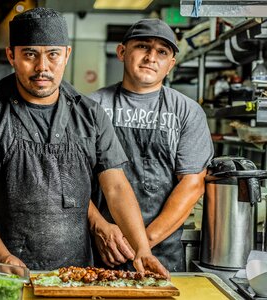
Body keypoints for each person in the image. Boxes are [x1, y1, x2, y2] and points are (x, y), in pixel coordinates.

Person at [0, 7, 168, 277]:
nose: (42, 67)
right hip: (5, 272)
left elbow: (116, 186)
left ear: (66, 55)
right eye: (30, 54)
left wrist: (142, 250)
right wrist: (0, 255)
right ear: (12, 55)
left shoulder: (90, 114)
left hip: (75, 273)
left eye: (53, 54)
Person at [89, 18, 214, 272]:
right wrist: (99, 226)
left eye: (162, 52)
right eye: (143, 47)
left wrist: (142, 244)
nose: (151, 57)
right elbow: (70, 178)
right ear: (122, 52)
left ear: (170, 65)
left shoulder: (187, 112)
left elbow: (192, 184)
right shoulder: (91, 107)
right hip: (99, 247)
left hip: (161, 253)